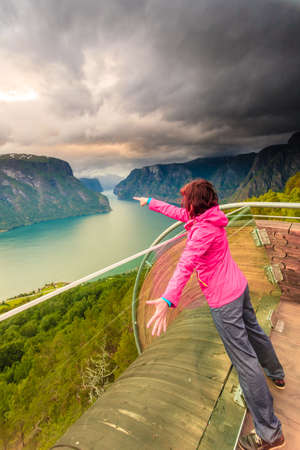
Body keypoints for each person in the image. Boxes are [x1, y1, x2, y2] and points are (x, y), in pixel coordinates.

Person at [134, 179, 285, 450]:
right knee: (255, 334)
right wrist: (151, 203)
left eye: (185, 200)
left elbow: (185, 264)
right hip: (238, 287)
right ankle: (276, 373)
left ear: (194, 203)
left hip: (224, 300)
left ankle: (270, 433)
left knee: (245, 361)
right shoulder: (212, 217)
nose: (183, 205)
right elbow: (180, 215)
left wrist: (168, 299)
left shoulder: (202, 231)